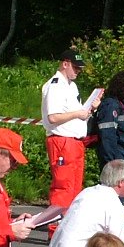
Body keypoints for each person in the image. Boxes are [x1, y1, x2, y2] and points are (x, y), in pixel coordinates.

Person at [41, 49, 92, 220]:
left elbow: (73, 112)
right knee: (63, 186)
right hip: (62, 141)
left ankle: (68, 223)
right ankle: (56, 227)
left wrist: (87, 110)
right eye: (76, 68)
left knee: (74, 187)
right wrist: (78, 114)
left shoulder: (71, 85)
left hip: (75, 141)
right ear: (65, 64)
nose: (78, 72)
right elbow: (53, 116)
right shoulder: (55, 85)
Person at [93, 70, 124, 168]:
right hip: (114, 158)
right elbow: (107, 136)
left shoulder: (121, 105)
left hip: (122, 154)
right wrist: (114, 162)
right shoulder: (110, 105)